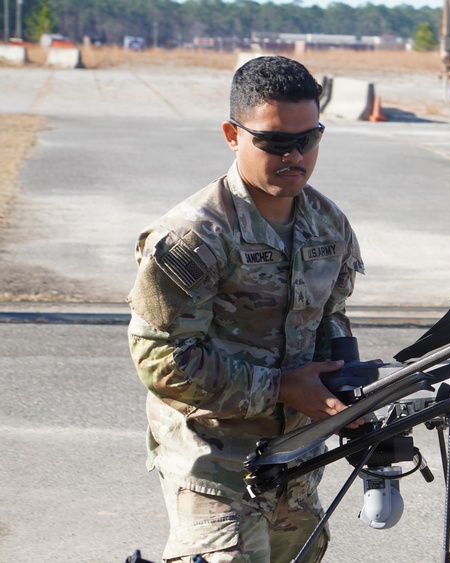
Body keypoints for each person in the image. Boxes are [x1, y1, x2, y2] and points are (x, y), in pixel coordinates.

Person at [127, 55, 364, 562]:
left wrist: (346, 398)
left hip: (294, 463)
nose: (294, 155)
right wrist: (281, 388)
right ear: (233, 135)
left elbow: (332, 318)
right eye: (275, 143)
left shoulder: (328, 224)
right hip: (213, 462)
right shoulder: (195, 237)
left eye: (309, 139)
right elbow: (162, 361)